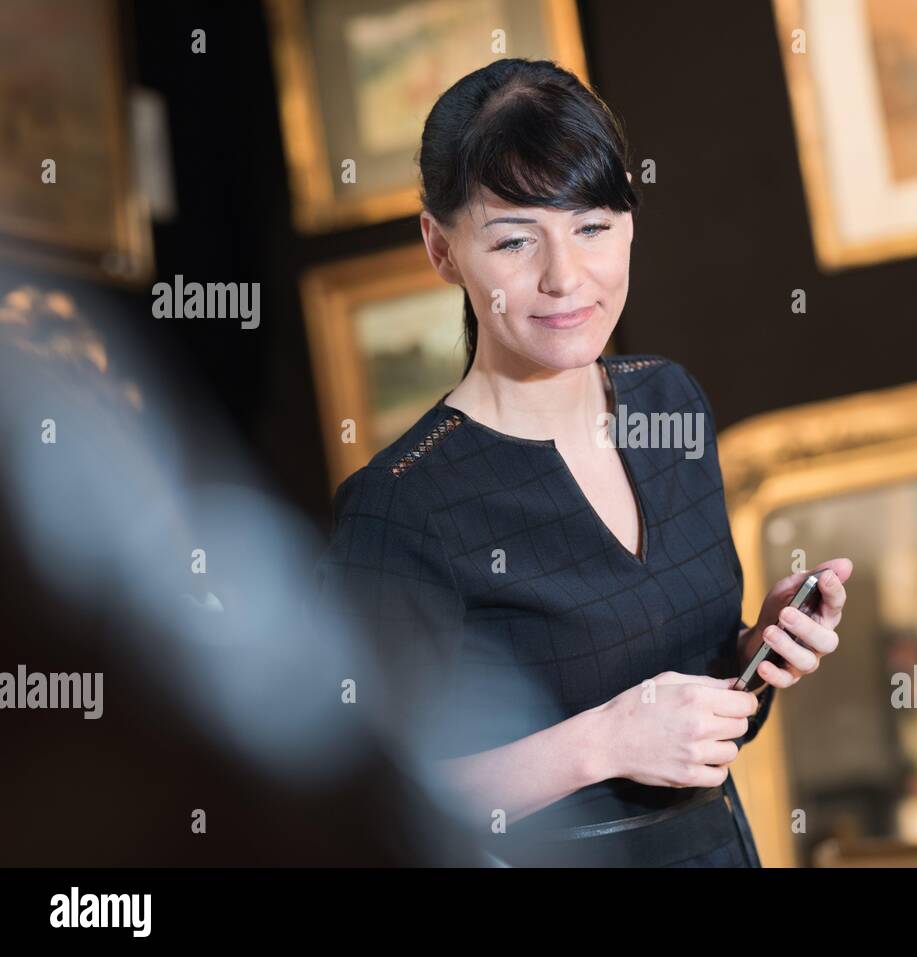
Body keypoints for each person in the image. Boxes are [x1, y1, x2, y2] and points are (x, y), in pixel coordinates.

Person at [312, 57, 852, 867]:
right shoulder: (400, 506)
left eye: (592, 227)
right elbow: (363, 801)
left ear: (630, 219)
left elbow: (677, 707)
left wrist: (752, 655)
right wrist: (602, 741)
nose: (565, 278)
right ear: (441, 248)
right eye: (514, 240)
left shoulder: (670, 403)